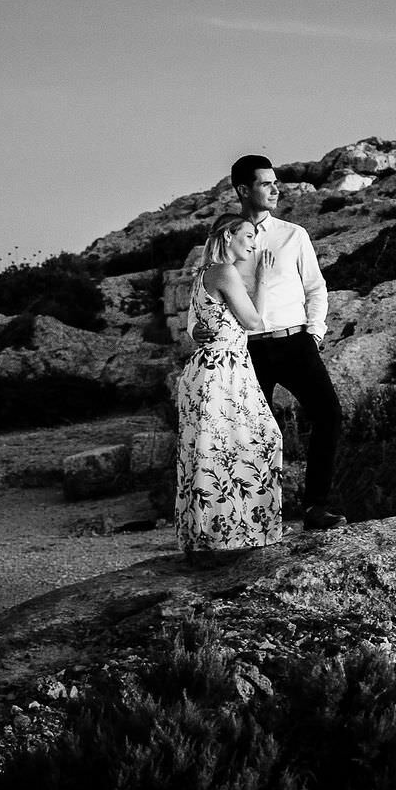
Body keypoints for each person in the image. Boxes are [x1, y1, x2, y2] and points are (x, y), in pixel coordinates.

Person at [230, 154, 347, 530]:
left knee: (329, 413)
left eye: (275, 182)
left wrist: (314, 332)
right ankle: (249, 517)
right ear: (243, 190)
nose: (275, 189)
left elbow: (316, 288)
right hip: (249, 349)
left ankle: (316, 507)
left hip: (295, 342)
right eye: (266, 183)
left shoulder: (293, 235)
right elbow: (211, 290)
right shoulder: (224, 239)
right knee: (247, 431)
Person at [174, 214, 283, 557]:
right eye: (248, 235)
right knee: (244, 444)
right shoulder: (224, 271)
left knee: (214, 452)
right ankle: (235, 537)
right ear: (227, 237)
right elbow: (252, 320)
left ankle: (222, 536)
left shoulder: (204, 273)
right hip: (223, 371)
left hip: (213, 369)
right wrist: (263, 280)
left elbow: (204, 320)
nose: (253, 243)